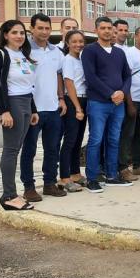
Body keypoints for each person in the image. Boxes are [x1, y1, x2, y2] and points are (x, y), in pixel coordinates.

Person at [0, 20, 39, 210]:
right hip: (13, 104)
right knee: (10, 150)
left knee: (16, 149)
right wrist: (4, 111)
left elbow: (28, 84)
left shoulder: (24, 55)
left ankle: (12, 194)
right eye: (14, 32)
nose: (19, 36)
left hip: (26, 102)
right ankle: (8, 196)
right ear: (6, 34)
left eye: (22, 33)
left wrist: (33, 109)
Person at [81, 16, 133, 193]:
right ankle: (92, 178)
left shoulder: (119, 53)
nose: (106, 31)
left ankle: (112, 176)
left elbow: (127, 75)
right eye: (102, 28)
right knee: (96, 140)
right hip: (98, 103)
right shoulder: (89, 51)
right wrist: (110, 94)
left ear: (113, 30)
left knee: (113, 139)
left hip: (118, 104)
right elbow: (91, 77)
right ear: (96, 30)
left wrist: (122, 93)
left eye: (109, 28)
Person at [19, 13, 67, 201]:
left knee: (52, 148)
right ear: (31, 29)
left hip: (53, 108)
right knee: (29, 150)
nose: (45, 31)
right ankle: (29, 187)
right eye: (40, 28)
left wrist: (61, 98)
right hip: (32, 110)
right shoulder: (23, 50)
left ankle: (49, 184)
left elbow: (58, 75)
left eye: (47, 28)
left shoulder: (56, 51)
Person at [119, 27, 140, 177]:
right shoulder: (129, 53)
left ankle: (138, 164)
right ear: (135, 36)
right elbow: (125, 78)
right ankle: (123, 168)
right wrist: (129, 103)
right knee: (127, 135)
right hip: (131, 100)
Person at [59, 30, 88, 193]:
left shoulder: (81, 59)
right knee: (69, 140)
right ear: (68, 43)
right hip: (73, 101)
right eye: (74, 41)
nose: (78, 44)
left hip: (84, 99)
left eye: (81, 41)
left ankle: (75, 173)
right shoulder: (68, 60)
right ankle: (64, 177)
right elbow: (69, 84)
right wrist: (77, 107)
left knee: (78, 139)